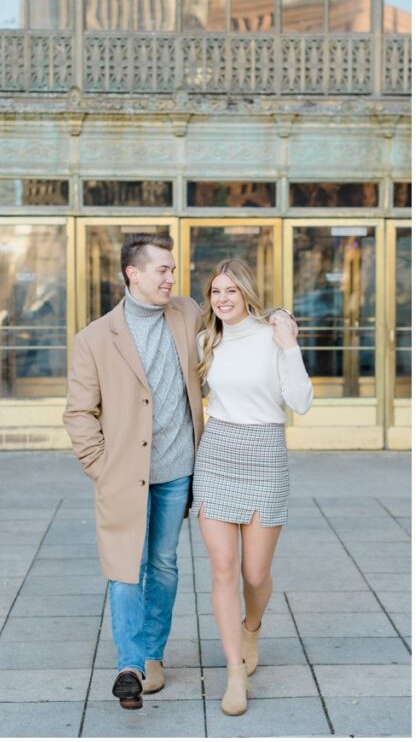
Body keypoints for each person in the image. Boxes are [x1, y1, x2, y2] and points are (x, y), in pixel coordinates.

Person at [63, 233, 204, 710]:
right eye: (162, 269)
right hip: (122, 474)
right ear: (133, 274)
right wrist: (100, 467)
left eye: (172, 269)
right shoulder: (95, 338)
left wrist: (279, 322)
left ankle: (153, 655)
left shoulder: (187, 314)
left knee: (162, 565)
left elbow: (237, 322)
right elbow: (79, 412)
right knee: (125, 568)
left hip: (178, 468)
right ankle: (130, 663)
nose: (171, 277)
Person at [189, 259, 312, 716]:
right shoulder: (207, 340)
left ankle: (252, 628)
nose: (222, 299)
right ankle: (235, 672)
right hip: (218, 452)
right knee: (223, 569)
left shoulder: (273, 335)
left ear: (246, 293)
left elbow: (300, 401)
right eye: (215, 291)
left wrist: (289, 345)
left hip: (265, 453)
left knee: (254, 574)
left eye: (231, 291)